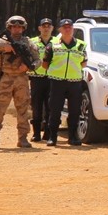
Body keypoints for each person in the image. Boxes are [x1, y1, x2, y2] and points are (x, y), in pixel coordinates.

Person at [0, 15, 37, 149]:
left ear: (23, 28)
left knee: (23, 110)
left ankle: (23, 139)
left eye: (19, 26)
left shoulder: (28, 43)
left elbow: (37, 60)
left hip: (21, 79)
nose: (16, 29)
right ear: (9, 27)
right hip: (5, 78)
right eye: (14, 26)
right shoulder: (1, 41)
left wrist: (29, 66)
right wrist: (2, 47)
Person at [43, 19, 88, 147]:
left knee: (74, 110)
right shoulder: (52, 45)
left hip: (75, 82)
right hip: (57, 82)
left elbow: (84, 63)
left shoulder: (81, 45)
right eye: (65, 27)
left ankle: (73, 137)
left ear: (73, 28)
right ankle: (52, 137)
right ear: (60, 30)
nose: (68, 29)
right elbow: (45, 64)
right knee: (55, 110)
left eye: (70, 27)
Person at [28, 18, 55, 142]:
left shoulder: (57, 42)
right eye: (43, 26)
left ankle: (48, 133)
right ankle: (36, 133)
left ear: (52, 28)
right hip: (37, 78)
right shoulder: (32, 42)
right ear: (39, 28)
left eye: (48, 26)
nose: (46, 28)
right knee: (36, 106)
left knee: (51, 107)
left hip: (52, 79)